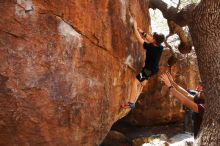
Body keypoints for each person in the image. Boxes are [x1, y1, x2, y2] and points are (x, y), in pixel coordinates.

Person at [121, 20, 165, 109]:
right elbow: (150, 39)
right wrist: (142, 32)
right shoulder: (160, 47)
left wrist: (135, 29)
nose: (151, 37)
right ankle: (143, 82)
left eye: (153, 37)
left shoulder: (150, 47)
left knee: (135, 82)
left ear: (154, 40)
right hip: (153, 69)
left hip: (148, 70)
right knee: (142, 82)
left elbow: (139, 39)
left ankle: (131, 103)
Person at [160, 72, 205, 137]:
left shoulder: (205, 107)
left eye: (202, 88)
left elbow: (184, 101)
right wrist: (172, 82)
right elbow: (187, 94)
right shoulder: (202, 98)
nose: (198, 88)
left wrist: (170, 86)